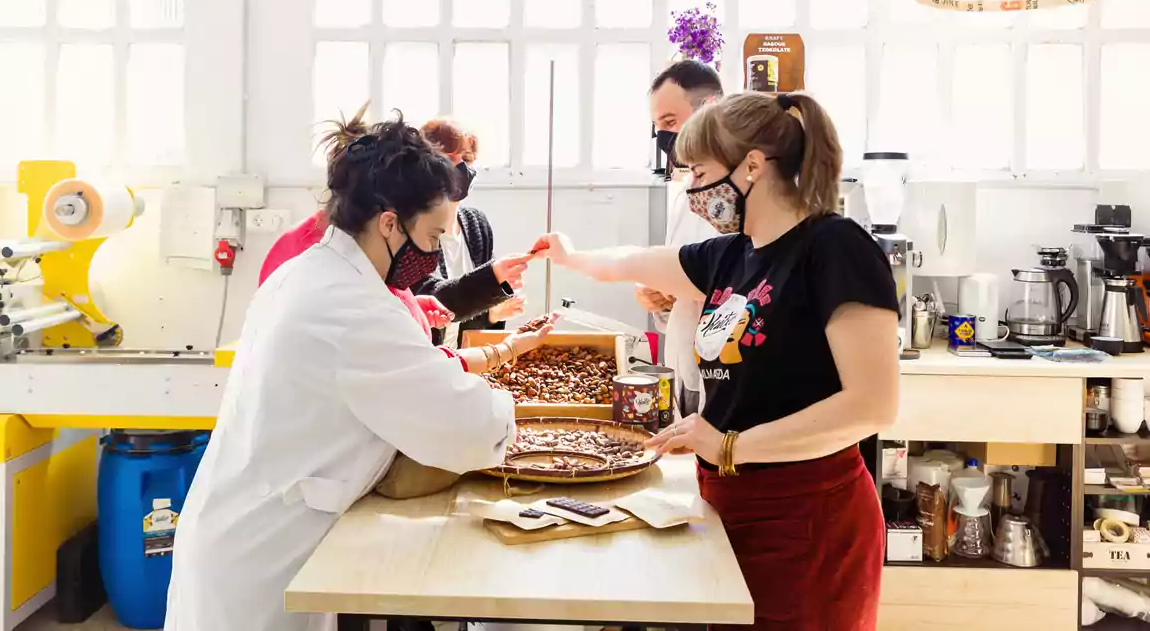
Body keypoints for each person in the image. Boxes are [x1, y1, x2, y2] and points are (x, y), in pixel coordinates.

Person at [166, 115, 557, 631]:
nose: (437, 253)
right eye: (434, 234)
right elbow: (471, 425)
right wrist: (504, 406)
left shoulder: (314, 273)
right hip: (260, 561)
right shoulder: (347, 305)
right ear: (390, 223)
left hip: (251, 529)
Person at [530, 91, 899, 630]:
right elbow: (634, 262)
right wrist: (570, 257)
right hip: (729, 502)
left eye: (699, 171)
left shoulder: (834, 247)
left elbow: (872, 405)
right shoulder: (731, 254)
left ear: (752, 165)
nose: (693, 188)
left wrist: (729, 444)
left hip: (810, 515)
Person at [642, 60, 724, 418]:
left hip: (726, 367)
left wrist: (686, 289)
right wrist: (658, 296)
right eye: (658, 127)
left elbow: (750, 284)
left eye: (671, 123)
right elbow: (676, 275)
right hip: (684, 360)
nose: (664, 138)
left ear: (709, 110)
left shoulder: (741, 191)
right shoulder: (682, 192)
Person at [415, 117, 529, 348]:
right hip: (422, 360)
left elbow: (470, 310)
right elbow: (433, 298)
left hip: (462, 360)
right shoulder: (410, 228)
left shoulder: (476, 224)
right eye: (447, 159)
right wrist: (493, 280)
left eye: (466, 159)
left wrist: (493, 315)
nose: (459, 169)